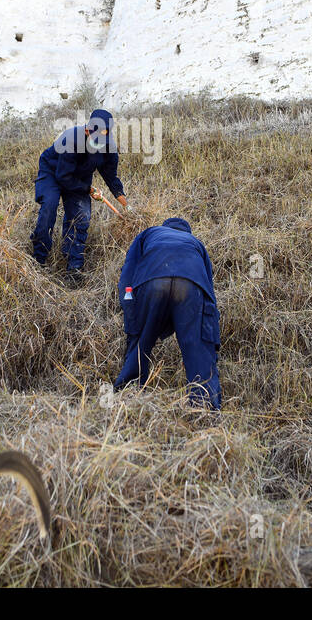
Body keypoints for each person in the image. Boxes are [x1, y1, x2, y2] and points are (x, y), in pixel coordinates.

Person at [112, 217, 222, 410]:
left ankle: (128, 396)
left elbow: (128, 271)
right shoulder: (196, 244)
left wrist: (131, 311)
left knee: (141, 341)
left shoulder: (149, 233)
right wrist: (211, 337)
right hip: (190, 285)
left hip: (153, 280)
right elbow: (209, 294)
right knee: (196, 347)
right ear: (187, 233)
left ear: (164, 227)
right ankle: (204, 405)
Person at [30, 108, 128, 286]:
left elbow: (110, 174)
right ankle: (39, 258)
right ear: (86, 130)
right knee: (49, 208)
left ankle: (73, 267)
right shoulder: (71, 139)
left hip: (80, 176)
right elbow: (63, 177)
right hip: (53, 171)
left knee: (81, 217)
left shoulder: (109, 146)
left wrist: (120, 196)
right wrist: (88, 189)